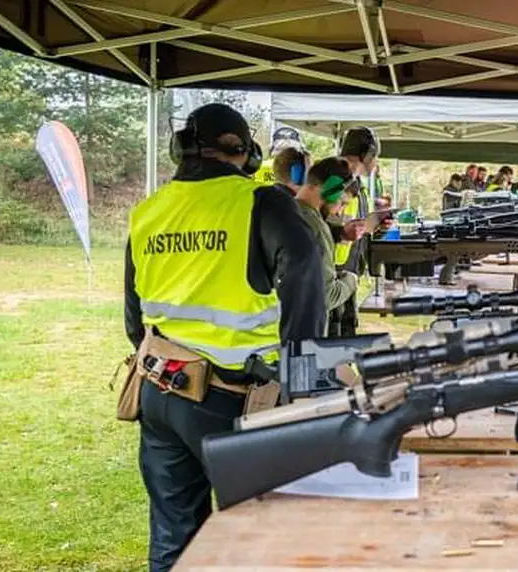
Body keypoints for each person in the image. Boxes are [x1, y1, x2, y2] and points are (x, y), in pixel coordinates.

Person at [123, 103, 325, 571]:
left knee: (174, 536)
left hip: (159, 387)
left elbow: (135, 321)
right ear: (245, 152)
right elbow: (305, 274)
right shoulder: (261, 202)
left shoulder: (148, 212)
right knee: (253, 537)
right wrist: (302, 378)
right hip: (232, 397)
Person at [296, 157, 359, 333]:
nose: (341, 210)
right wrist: (350, 281)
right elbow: (327, 297)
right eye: (343, 202)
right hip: (305, 333)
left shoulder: (284, 212)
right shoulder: (316, 227)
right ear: (332, 190)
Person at [329, 126, 380, 337]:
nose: (376, 163)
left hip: (348, 271)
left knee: (346, 337)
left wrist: (376, 224)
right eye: (375, 156)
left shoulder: (357, 185)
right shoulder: (333, 180)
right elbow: (315, 222)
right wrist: (341, 232)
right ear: (367, 155)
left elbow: (357, 223)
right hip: (332, 273)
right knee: (333, 337)